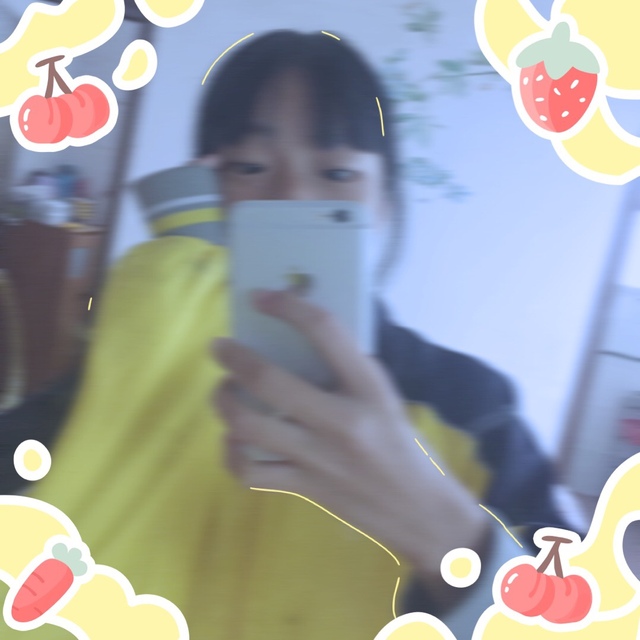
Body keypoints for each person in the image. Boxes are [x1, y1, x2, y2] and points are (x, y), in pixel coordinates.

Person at [0, 30, 572, 640]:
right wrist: (156, 293)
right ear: (209, 192)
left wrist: (454, 540)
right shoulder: (145, 338)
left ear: (385, 204)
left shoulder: (470, 407)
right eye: (249, 167)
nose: (294, 196)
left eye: (337, 172)